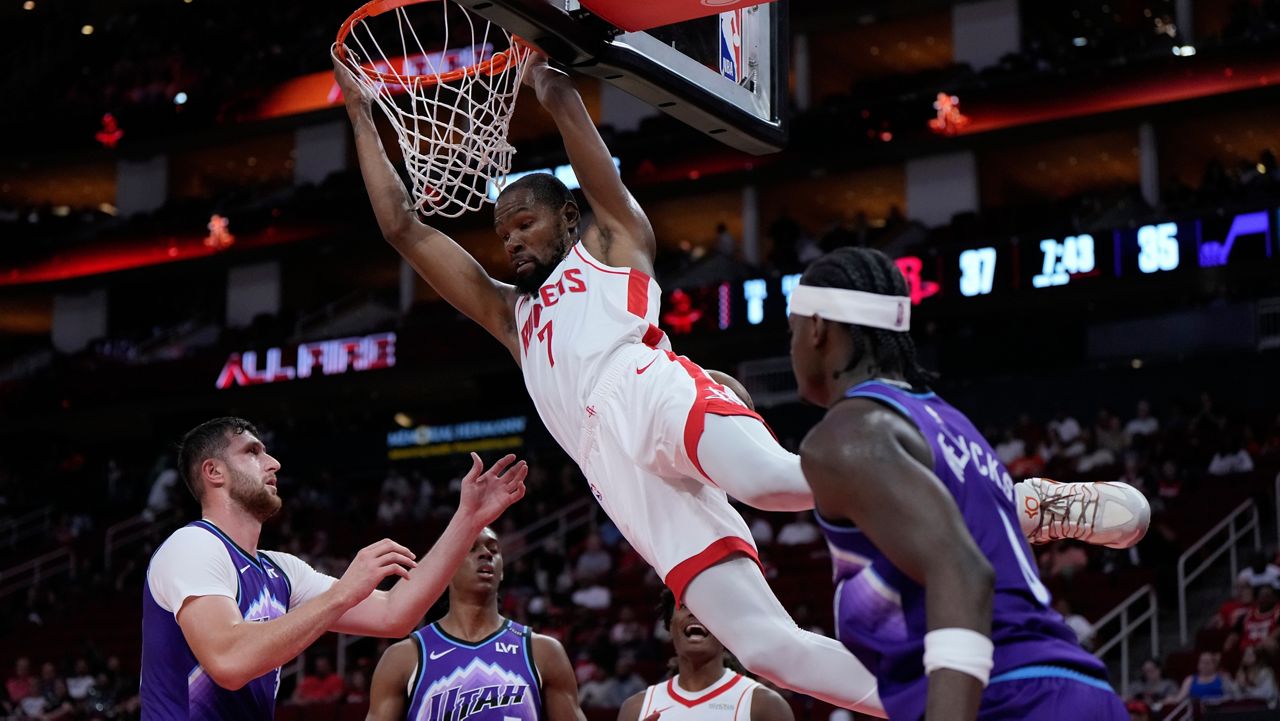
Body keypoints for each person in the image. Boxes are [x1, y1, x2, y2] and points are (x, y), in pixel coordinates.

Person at [334, 50, 1147, 715]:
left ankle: (1021, 501)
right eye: (501, 230)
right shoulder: (512, 317)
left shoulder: (610, 245)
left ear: (569, 220)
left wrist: (555, 93)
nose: (509, 240)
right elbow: (403, 225)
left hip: (648, 385)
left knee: (780, 482)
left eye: (525, 222)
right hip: (609, 471)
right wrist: (361, 113)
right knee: (768, 649)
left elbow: (595, 173)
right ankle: (922, 699)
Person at [787, 247, 1131, 721]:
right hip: (1082, 689)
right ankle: (1036, 506)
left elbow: (964, 573)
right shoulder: (950, 422)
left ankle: (1038, 506)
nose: (792, 347)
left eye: (792, 331)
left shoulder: (845, 435)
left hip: (1008, 697)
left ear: (817, 327)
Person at [141, 417, 527, 720]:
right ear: (214, 472)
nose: (273, 463)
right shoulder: (192, 546)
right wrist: (345, 592)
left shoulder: (282, 570)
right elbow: (230, 661)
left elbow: (395, 614)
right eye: (253, 452)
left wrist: (468, 520)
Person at [364, 526, 586, 721]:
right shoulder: (404, 657)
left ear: (501, 572)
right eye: (472, 548)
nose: (486, 554)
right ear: (445, 569)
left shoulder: (542, 651)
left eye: (494, 549)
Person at [617, 590, 793, 721]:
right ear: (670, 625)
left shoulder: (764, 705)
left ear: (726, 628)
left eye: (706, 606)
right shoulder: (635, 709)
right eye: (684, 605)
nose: (695, 612)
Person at [1166, 652, 1235, 705]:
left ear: (1214, 665)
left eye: (1207, 663)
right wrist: (1170, 699)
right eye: (1202, 662)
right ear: (1198, 664)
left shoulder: (1222, 678)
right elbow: (1179, 698)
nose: (1204, 665)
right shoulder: (1190, 679)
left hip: (1218, 712)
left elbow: (1232, 697)